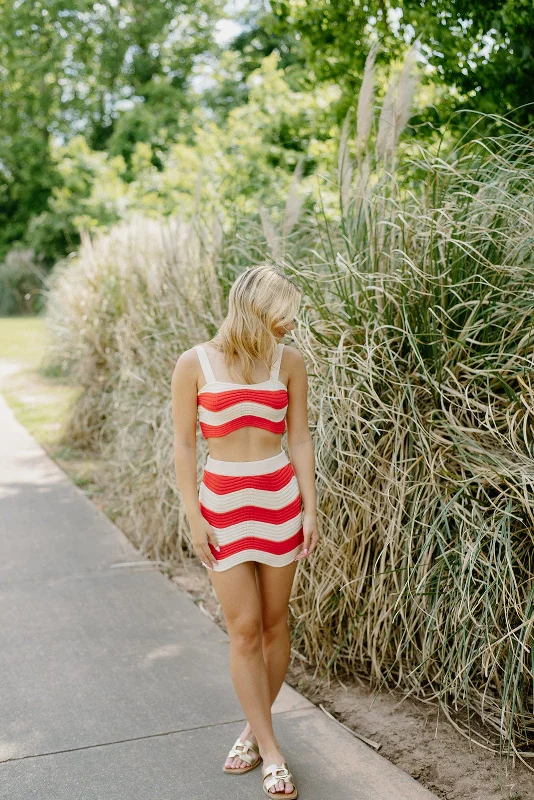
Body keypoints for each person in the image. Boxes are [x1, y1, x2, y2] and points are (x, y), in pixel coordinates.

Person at [171, 264, 319, 798]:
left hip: (279, 499)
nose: (291, 326)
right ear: (256, 309)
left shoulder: (290, 362)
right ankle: (273, 751)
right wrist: (194, 514)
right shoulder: (195, 363)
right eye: (284, 315)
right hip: (224, 505)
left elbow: (299, 438)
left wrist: (311, 507)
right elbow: (184, 445)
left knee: (276, 625)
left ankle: (253, 731)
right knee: (245, 629)